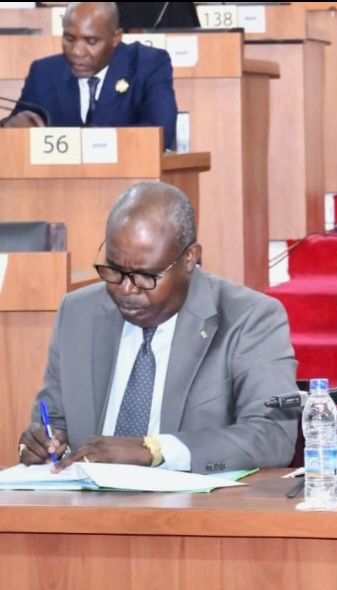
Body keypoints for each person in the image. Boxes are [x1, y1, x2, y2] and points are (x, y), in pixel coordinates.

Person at [18, 182, 299, 473]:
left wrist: (153, 451)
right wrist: (39, 443)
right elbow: (52, 421)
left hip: (187, 499)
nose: (126, 289)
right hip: (82, 497)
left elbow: (273, 435)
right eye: (113, 270)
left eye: (145, 276)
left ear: (189, 258)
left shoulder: (249, 318)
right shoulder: (78, 313)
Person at [0, 2, 179, 151]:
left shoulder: (147, 65)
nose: (77, 52)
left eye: (91, 41)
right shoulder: (44, 73)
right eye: (69, 39)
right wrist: (9, 129)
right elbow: (14, 129)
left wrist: (96, 141)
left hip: (130, 180)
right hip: (58, 181)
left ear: (116, 37)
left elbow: (161, 132)